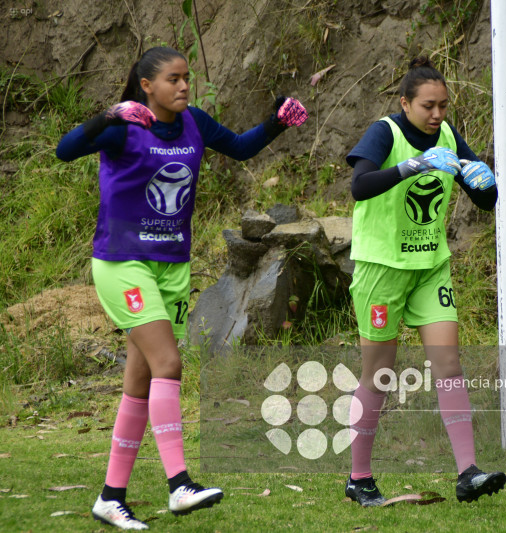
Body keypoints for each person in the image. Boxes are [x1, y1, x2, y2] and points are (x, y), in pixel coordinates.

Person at [56, 46, 307, 530]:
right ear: (147, 85)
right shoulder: (125, 126)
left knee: (142, 378)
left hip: (171, 265)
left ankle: (111, 497)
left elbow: (239, 146)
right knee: (169, 362)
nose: (184, 86)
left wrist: (276, 122)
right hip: (123, 263)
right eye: (173, 79)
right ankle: (180, 485)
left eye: (186, 77)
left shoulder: (193, 121)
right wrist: (107, 114)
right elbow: (65, 150)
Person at [344, 55, 506, 507]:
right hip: (382, 269)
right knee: (378, 375)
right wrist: (411, 167)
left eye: (443, 106)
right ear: (405, 103)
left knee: (448, 364)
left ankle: (468, 473)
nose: (437, 115)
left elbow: (485, 201)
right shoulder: (385, 132)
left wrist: (485, 182)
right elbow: (359, 186)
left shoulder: (449, 136)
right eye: (428, 107)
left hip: (431, 267)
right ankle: (359, 478)